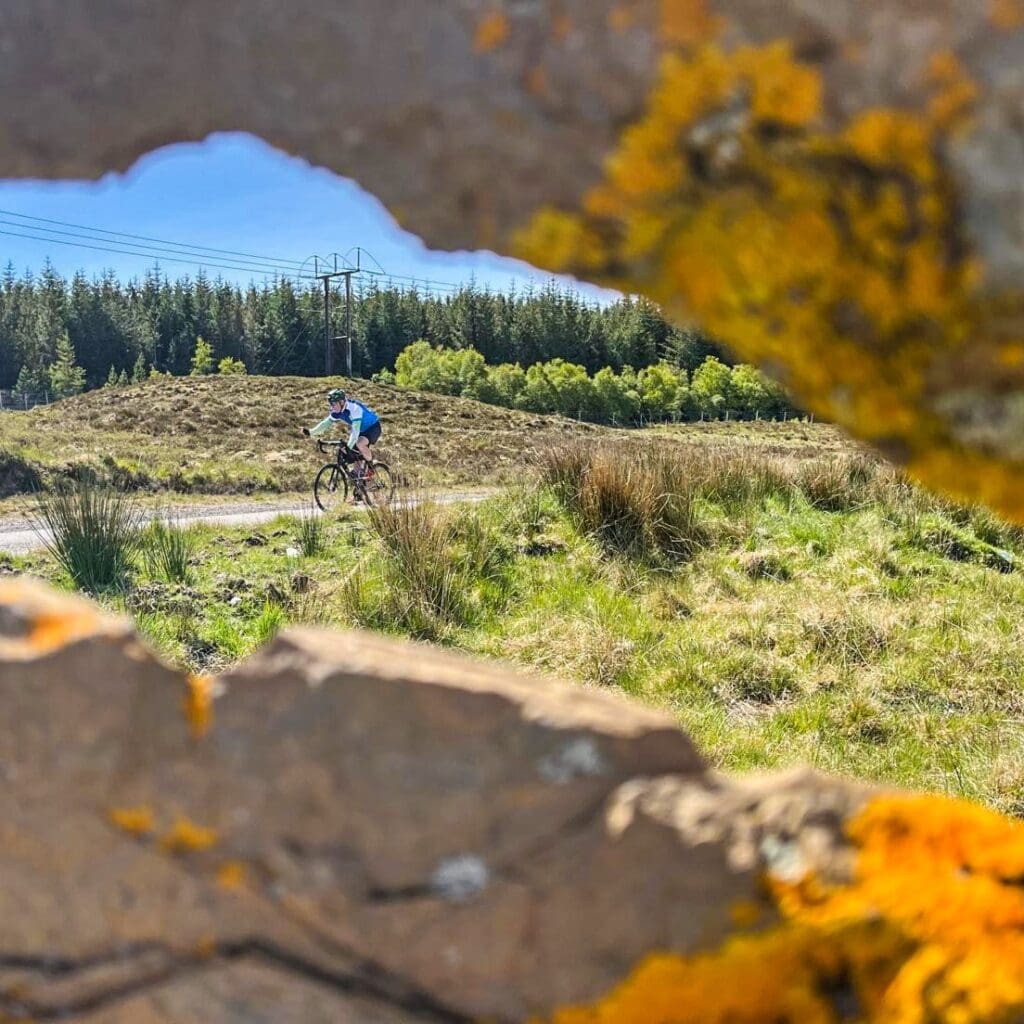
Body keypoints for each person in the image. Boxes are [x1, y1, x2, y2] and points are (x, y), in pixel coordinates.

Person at [301, 388, 382, 476]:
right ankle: (361, 483)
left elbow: (355, 432)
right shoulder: (337, 411)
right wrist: (311, 432)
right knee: (355, 458)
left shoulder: (354, 409)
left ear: (342, 402)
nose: (332, 407)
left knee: (359, 443)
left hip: (373, 427)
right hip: (361, 430)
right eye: (330, 404)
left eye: (333, 404)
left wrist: (348, 447)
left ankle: (371, 467)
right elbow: (325, 424)